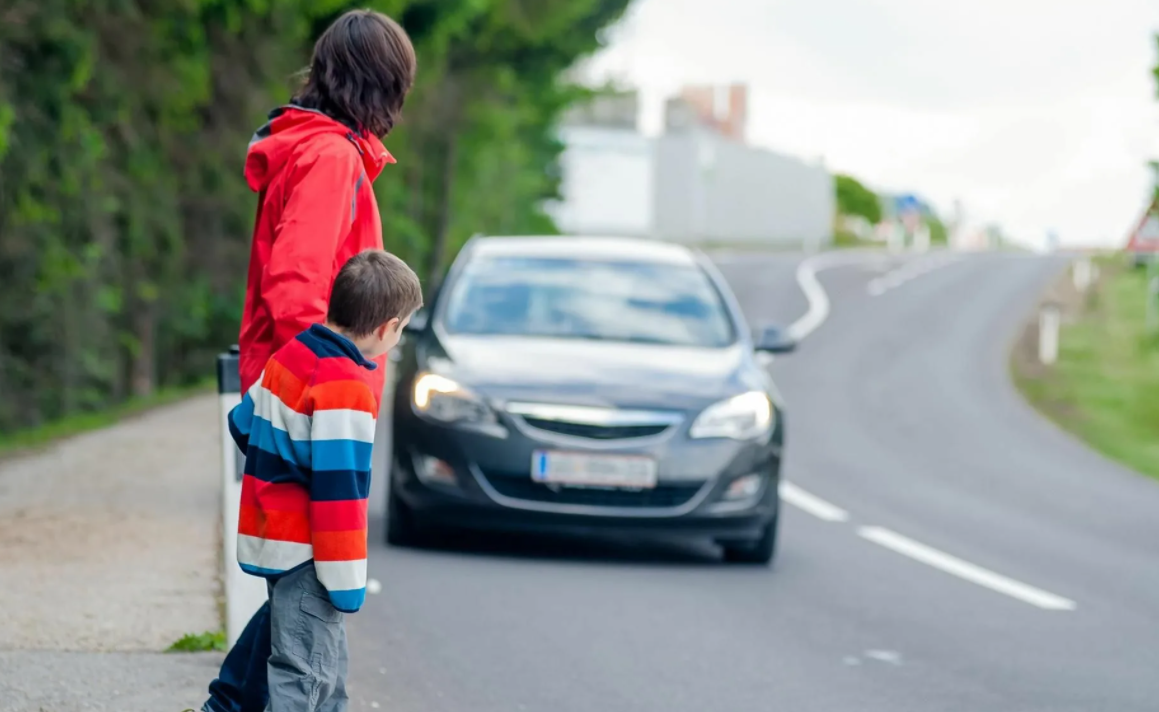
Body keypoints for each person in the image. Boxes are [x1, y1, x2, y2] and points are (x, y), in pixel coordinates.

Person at [203, 10, 416, 712]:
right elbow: (295, 288)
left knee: (297, 583)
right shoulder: (330, 159)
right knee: (309, 584)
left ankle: (226, 706)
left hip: (295, 392)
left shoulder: (320, 150)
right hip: (313, 405)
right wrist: (333, 386)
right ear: (383, 85)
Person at [224, 250, 422, 711]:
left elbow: (243, 423)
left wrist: (282, 469)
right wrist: (347, 581)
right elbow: (340, 494)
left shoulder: (292, 354)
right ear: (385, 328)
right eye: (403, 327)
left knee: (322, 671)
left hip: (274, 538)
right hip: (312, 555)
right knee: (305, 677)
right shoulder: (347, 389)